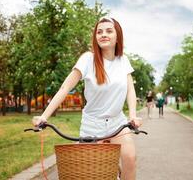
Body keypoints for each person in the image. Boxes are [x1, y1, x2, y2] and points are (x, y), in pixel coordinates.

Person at [32, 17, 142, 180]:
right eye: (99, 32)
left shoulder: (123, 60)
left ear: (117, 36)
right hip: (93, 124)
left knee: (130, 158)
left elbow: (130, 90)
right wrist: (44, 116)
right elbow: (65, 88)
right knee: (90, 171)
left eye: (109, 31)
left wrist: (132, 116)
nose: (103, 34)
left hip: (117, 122)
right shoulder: (87, 59)